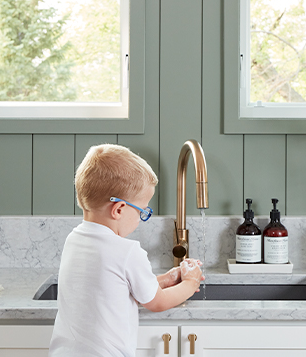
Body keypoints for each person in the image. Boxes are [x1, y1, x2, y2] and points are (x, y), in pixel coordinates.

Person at [49, 144, 204, 357]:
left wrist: (165, 279)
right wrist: (190, 282)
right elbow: (157, 302)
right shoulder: (127, 251)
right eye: (143, 210)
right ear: (119, 209)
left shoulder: (73, 240)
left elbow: (115, 287)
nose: (142, 218)